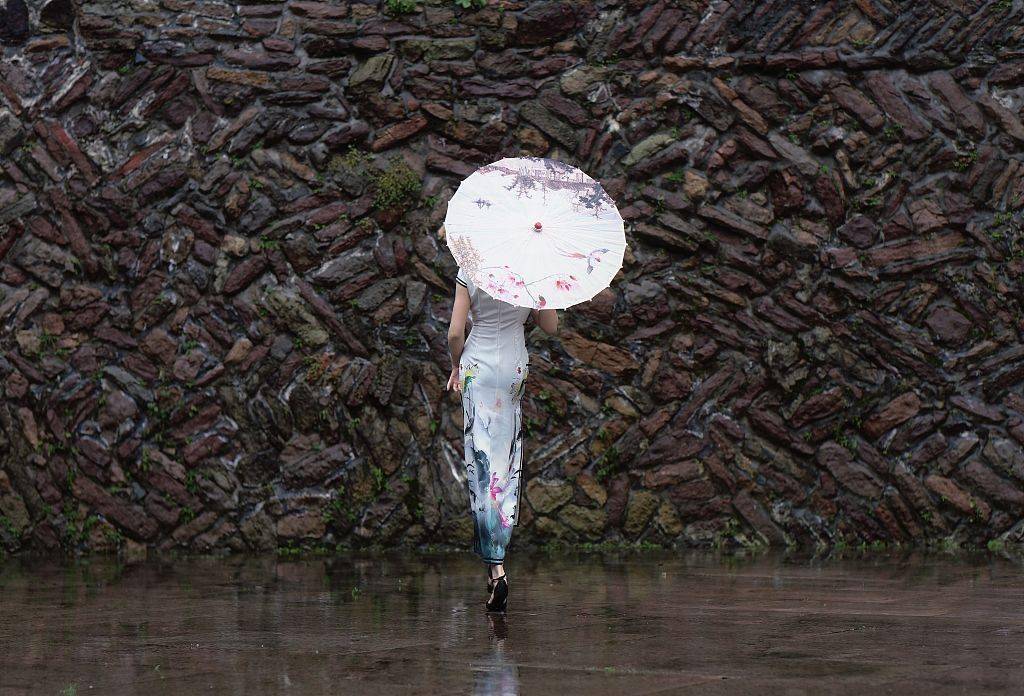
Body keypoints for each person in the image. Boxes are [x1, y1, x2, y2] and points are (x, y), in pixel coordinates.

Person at [443, 225, 559, 612]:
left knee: (481, 460)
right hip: (513, 366)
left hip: (478, 364)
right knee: (506, 460)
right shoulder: (530, 268)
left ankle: (496, 568)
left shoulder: (470, 267)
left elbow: (455, 332)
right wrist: (548, 283)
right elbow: (550, 326)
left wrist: (455, 367)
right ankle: (497, 558)